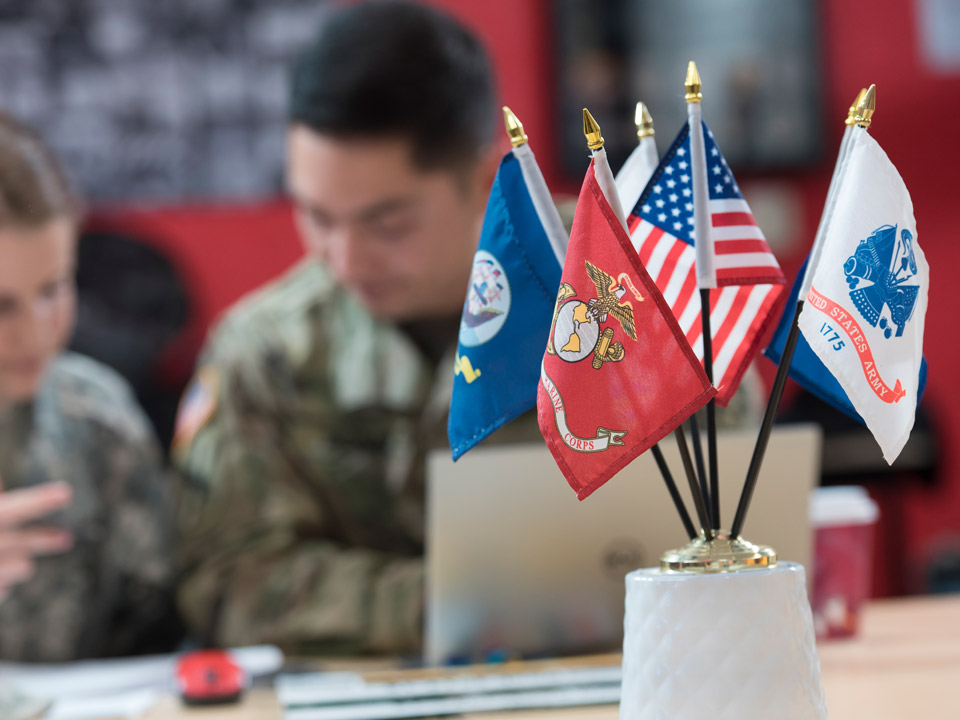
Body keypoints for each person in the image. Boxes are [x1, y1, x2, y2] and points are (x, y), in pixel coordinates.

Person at [173, 1, 541, 655]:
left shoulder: (616, 307)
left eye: (387, 225)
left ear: (487, 180)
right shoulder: (265, 352)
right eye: (316, 216)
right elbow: (228, 578)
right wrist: (457, 605)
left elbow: (720, 527)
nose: (344, 261)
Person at [0, 113, 177, 661]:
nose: (36, 332)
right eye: (0, 306)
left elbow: (160, 623)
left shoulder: (97, 418)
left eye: (54, 289)